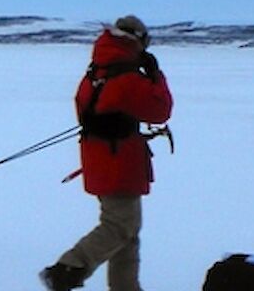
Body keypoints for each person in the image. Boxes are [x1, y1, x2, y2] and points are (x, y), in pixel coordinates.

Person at [41, 15, 174, 291]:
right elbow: (160, 110)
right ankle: (68, 268)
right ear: (136, 41)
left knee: (127, 232)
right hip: (119, 165)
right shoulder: (125, 77)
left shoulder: (95, 73)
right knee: (119, 227)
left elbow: (89, 111)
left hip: (100, 160)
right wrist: (155, 76)